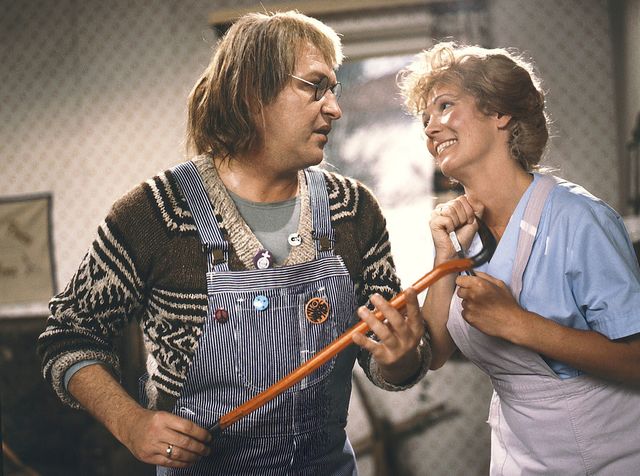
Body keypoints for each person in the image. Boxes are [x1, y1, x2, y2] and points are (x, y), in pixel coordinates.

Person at [37, 11, 431, 475]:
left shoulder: (353, 210)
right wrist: (131, 423)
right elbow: (69, 334)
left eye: (334, 89)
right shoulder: (157, 213)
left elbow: (383, 357)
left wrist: (401, 361)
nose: (334, 109)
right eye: (315, 87)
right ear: (251, 93)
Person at [380, 41, 640, 474]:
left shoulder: (580, 220)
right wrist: (444, 256)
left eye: (445, 106)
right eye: (425, 119)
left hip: (608, 455)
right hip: (520, 455)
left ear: (499, 112)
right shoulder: (460, 233)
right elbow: (436, 351)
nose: (430, 129)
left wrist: (518, 323)